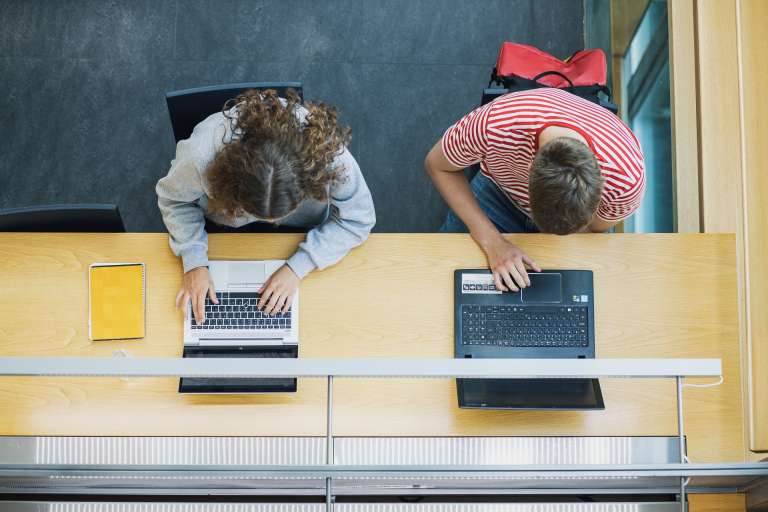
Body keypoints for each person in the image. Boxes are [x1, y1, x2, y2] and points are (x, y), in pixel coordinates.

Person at [157, 89, 375, 324]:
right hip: (221, 227)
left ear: (309, 181)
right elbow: (174, 200)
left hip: (305, 230)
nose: (272, 223)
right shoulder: (200, 157)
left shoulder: (327, 155)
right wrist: (194, 261)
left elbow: (359, 218)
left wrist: (298, 267)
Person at [425, 87, 645, 293]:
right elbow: (438, 165)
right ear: (529, 167)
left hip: (574, 232)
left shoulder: (627, 179)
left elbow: (595, 229)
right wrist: (492, 242)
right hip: (500, 194)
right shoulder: (497, 123)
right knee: (439, 276)